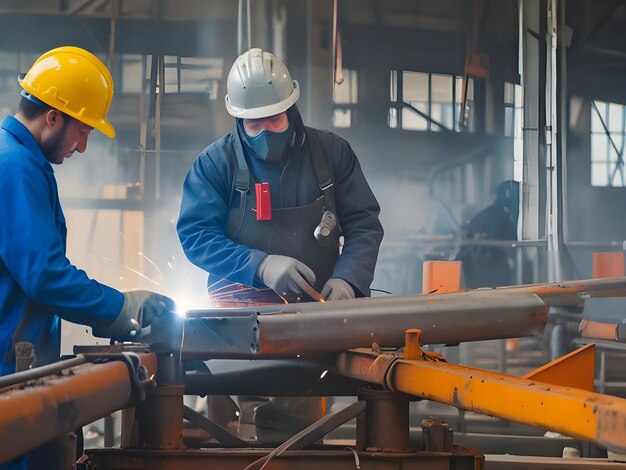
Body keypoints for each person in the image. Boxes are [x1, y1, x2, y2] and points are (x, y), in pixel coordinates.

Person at [177, 48, 383, 438]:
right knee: (225, 433)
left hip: (312, 323)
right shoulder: (215, 164)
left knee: (292, 431)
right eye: (253, 124)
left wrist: (349, 280)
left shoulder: (333, 155)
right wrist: (260, 265)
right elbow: (195, 235)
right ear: (237, 117)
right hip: (232, 329)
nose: (266, 132)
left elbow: (364, 224)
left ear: (292, 106)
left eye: (273, 118)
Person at [0, 47, 175, 469]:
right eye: (83, 131)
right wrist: (122, 308)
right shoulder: (16, 168)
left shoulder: (22, 161)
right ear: (53, 116)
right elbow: (44, 275)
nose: (82, 146)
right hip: (7, 368)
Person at [456, 180, 520, 288]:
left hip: (481, 273)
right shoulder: (500, 216)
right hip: (485, 273)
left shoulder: (491, 214)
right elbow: (512, 240)